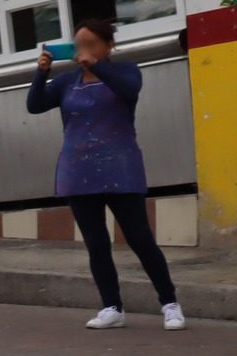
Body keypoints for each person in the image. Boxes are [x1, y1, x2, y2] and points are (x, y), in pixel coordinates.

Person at [26, 18, 184, 330]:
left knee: (140, 239)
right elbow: (34, 105)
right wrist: (40, 72)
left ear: (108, 45)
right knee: (96, 244)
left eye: (91, 44)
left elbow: (128, 90)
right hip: (78, 171)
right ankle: (111, 306)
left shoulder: (126, 71)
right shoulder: (66, 82)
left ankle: (170, 304)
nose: (83, 51)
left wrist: (97, 66)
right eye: (78, 45)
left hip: (120, 168)